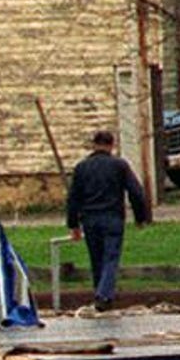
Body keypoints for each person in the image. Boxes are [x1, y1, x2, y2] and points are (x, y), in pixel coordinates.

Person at [62, 127, 152, 312]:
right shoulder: (119, 165)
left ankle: (100, 293)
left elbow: (73, 198)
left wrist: (73, 224)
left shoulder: (81, 167)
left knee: (96, 259)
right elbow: (136, 192)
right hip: (112, 218)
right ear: (112, 145)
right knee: (111, 257)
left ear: (94, 145)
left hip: (89, 219)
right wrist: (140, 217)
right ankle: (103, 295)